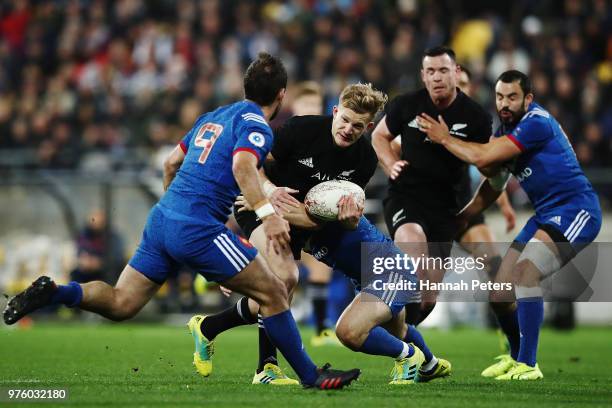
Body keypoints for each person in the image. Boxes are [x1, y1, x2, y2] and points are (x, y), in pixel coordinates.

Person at [2, 53, 360, 390]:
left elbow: (171, 163)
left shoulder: (213, 117)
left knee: (121, 303)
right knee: (275, 292)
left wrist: (177, 213)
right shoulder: (257, 126)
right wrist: (268, 216)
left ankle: (55, 292)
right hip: (198, 227)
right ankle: (310, 376)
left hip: (162, 218)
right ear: (282, 95)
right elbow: (242, 166)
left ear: (244, 87)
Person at [195, 83, 450, 385]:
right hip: (282, 215)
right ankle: (257, 361)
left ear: (368, 127)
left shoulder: (364, 159)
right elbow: (254, 166)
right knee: (280, 286)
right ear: (335, 111)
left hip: (382, 267)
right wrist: (264, 194)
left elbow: (317, 221)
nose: (348, 129)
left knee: (334, 322)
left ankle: (413, 358)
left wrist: (262, 208)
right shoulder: (299, 130)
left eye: (358, 126)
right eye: (344, 120)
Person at [418, 69, 601, 380]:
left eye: (512, 97)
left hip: (575, 209)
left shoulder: (536, 123)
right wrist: (465, 214)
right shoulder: (506, 132)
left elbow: (485, 156)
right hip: (545, 213)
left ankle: (529, 364)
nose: (504, 103)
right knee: (501, 292)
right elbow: (494, 182)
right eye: (500, 96)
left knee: (526, 273)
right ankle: (516, 357)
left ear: (527, 99)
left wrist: (445, 138)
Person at [371, 46, 492, 325]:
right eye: (431, 71)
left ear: (456, 72)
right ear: (423, 76)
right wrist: (391, 164)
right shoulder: (406, 104)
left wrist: (447, 139)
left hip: (445, 208)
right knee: (413, 249)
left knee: (427, 300)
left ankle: (399, 342)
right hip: (406, 197)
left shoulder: (476, 117)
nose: (437, 77)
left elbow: (487, 163)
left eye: (443, 70)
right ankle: (408, 354)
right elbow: (379, 137)